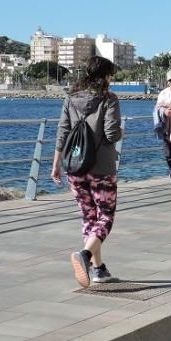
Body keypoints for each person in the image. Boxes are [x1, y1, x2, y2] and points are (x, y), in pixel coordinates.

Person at [52, 56, 123, 287]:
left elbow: (62, 131)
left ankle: (98, 270)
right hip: (101, 167)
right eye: (110, 74)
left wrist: (56, 164)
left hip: (75, 166)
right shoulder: (108, 99)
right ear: (104, 75)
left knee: (89, 218)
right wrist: (121, 133)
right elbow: (112, 134)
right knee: (105, 217)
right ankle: (84, 254)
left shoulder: (71, 99)